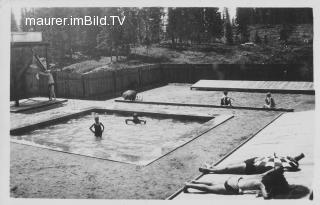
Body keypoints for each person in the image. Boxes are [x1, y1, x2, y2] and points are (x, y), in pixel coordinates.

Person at [184, 167, 289, 199]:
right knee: (209, 189)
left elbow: (269, 172)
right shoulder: (261, 184)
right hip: (233, 187)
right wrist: (269, 193)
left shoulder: (263, 176)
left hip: (235, 179)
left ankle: (196, 181)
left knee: (213, 184)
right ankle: (189, 185)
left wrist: (277, 170)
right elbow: (266, 196)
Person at [199, 153, 305, 175]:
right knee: (231, 164)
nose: (291, 157)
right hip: (253, 160)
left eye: (294, 158)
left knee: (228, 168)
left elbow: (295, 166)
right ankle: (213, 167)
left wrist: (295, 163)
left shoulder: (279, 166)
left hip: (252, 167)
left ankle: (209, 170)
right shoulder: (282, 158)